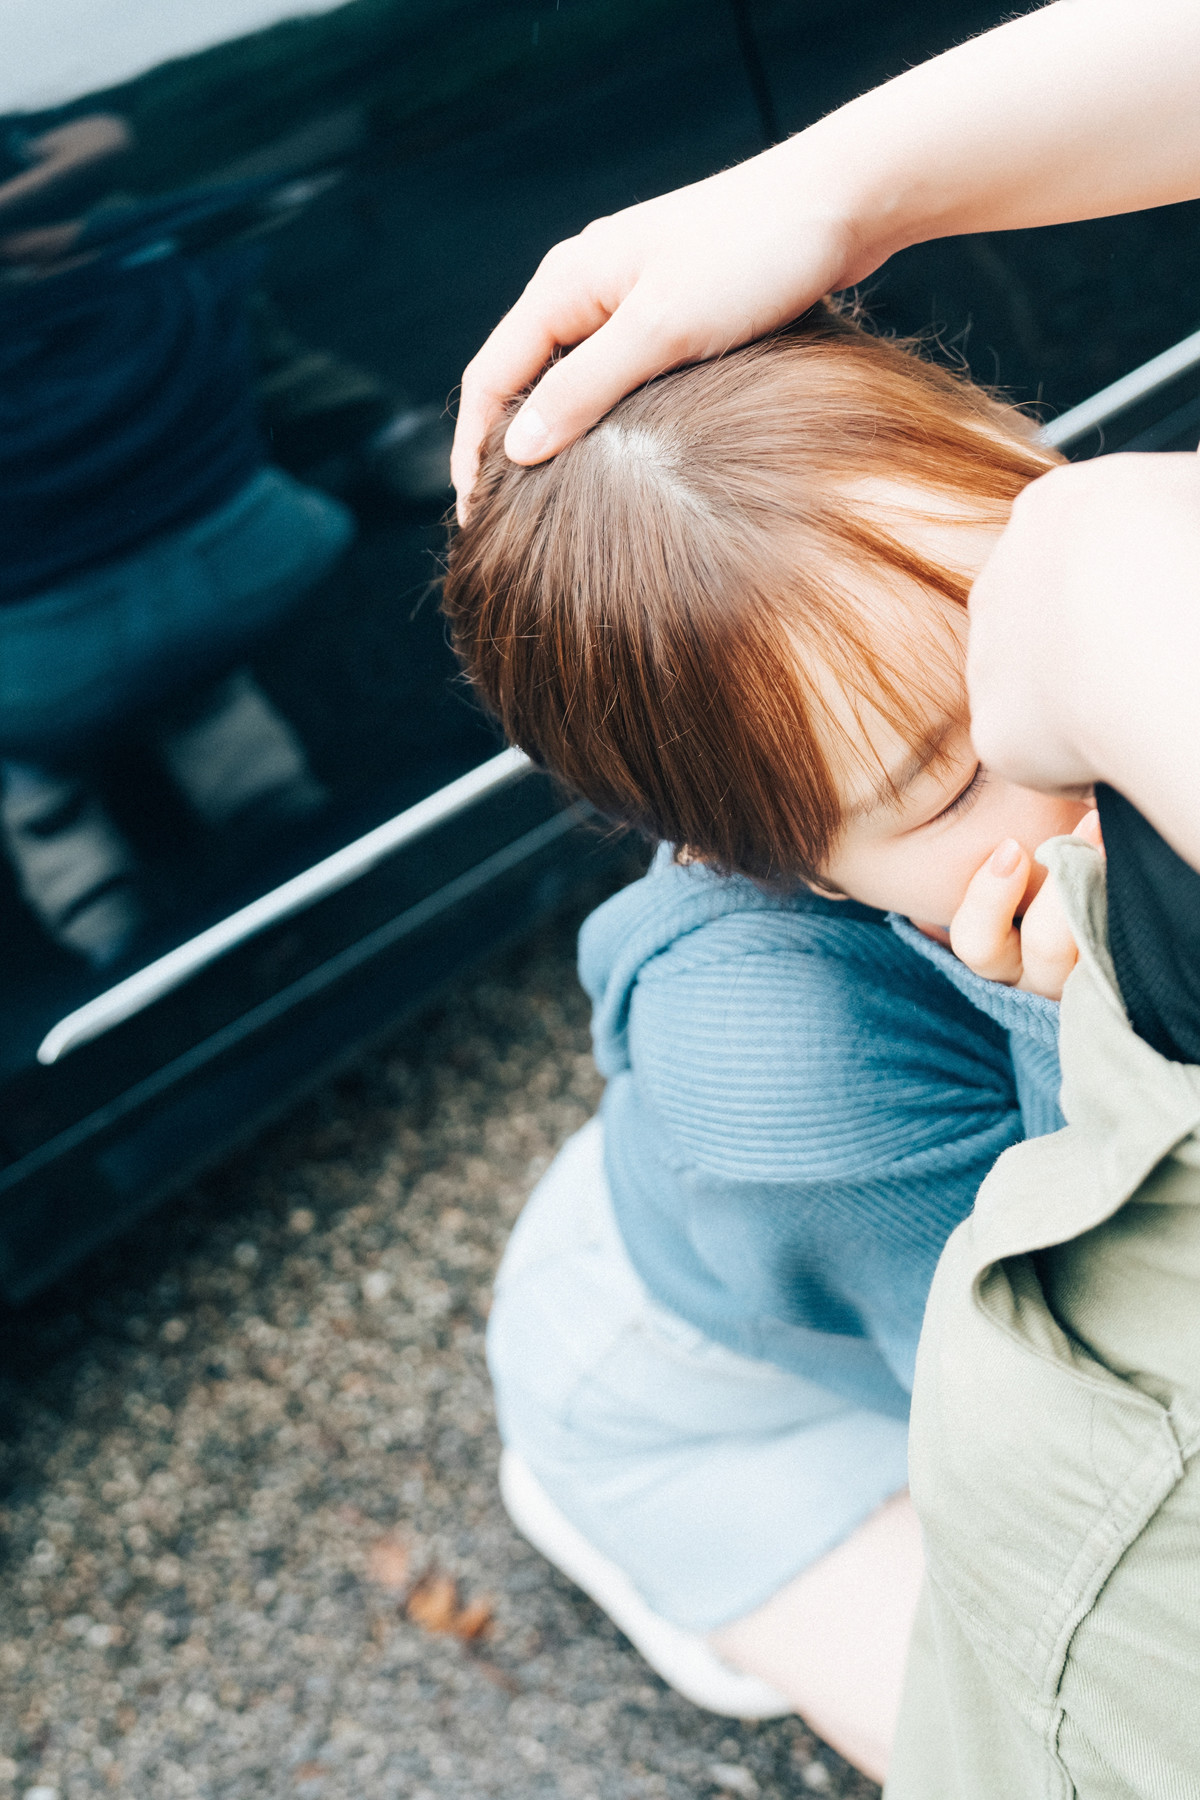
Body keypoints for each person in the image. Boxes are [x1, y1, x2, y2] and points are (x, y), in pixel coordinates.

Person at [447, 0, 1200, 1789]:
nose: (1070, 745)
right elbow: (1074, 1425)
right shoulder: (783, 1073)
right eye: (945, 783)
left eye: (1034, 582)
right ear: (744, 855)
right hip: (734, 1388)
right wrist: (1065, 1030)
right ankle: (635, 1531)